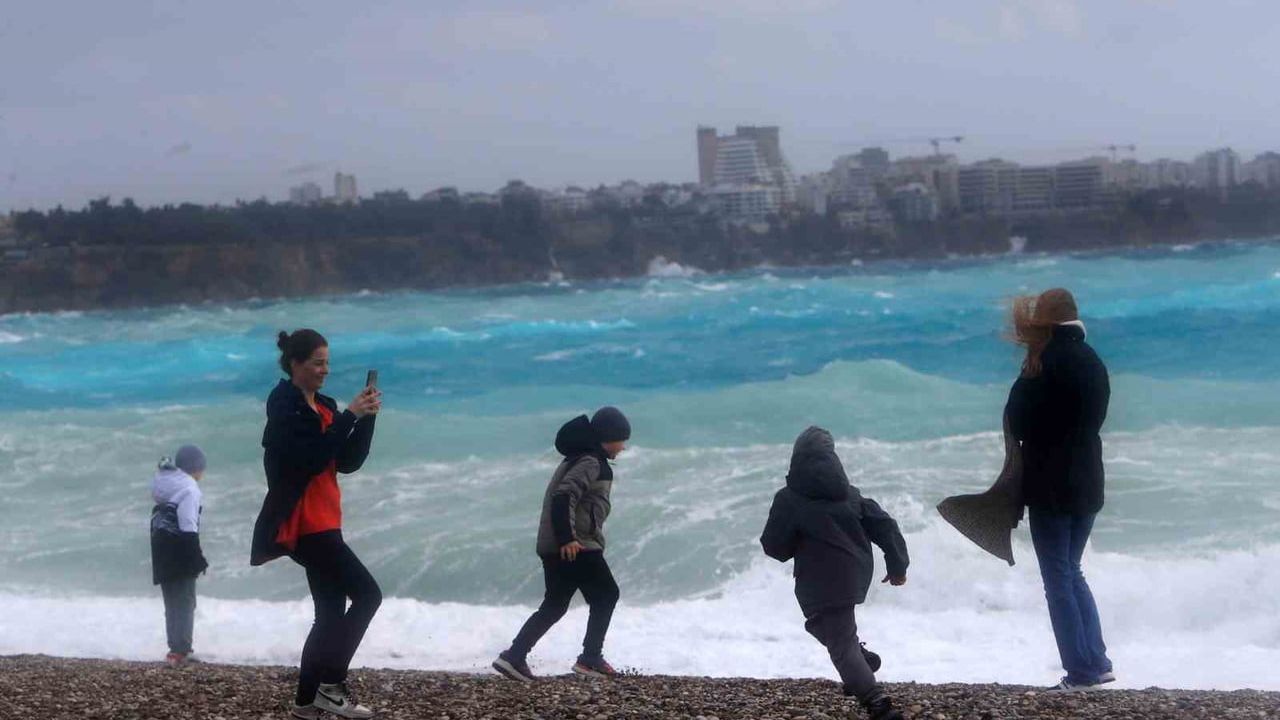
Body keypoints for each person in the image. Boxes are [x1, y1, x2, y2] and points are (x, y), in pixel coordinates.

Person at [250, 329, 382, 720]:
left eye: (328, 362)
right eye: (318, 362)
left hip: (327, 519)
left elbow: (345, 461)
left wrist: (367, 419)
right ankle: (330, 685)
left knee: (328, 612)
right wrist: (349, 416)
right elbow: (308, 458)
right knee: (368, 595)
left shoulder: (323, 405)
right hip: (303, 523)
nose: (326, 370)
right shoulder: (284, 405)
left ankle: (306, 703)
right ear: (296, 364)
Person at [1005, 288, 1115, 692]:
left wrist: (1028, 368)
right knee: (1072, 570)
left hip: (1052, 486)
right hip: (1088, 482)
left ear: (1045, 324)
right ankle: (1097, 661)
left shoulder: (1046, 363)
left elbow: (1018, 421)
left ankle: (1082, 671)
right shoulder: (1092, 361)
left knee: (1058, 578)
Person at [761, 427, 909, 720]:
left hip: (819, 581)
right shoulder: (851, 496)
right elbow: (886, 526)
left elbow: (775, 547)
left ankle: (878, 703)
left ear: (796, 459)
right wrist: (897, 566)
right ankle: (859, 660)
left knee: (839, 644)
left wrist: (796, 540)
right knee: (822, 626)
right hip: (854, 574)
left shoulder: (789, 499)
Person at [492, 407, 632, 683]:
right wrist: (568, 538)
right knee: (606, 595)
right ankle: (590, 659)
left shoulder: (581, 458)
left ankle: (513, 657)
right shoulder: (591, 462)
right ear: (608, 437)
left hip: (557, 544)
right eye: (621, 440)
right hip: (576, 545)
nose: (624, 447)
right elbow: (563, 496)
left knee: (555, 605)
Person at [151, 444, 210, 668]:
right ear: (195, 468)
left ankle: (174, 649)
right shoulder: (189, 488)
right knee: (185, 601)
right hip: (181, 549)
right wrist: (197, 557)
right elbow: (187, 525)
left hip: (162, 549)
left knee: (172, 602)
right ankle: (183, 651)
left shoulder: (165, 485)